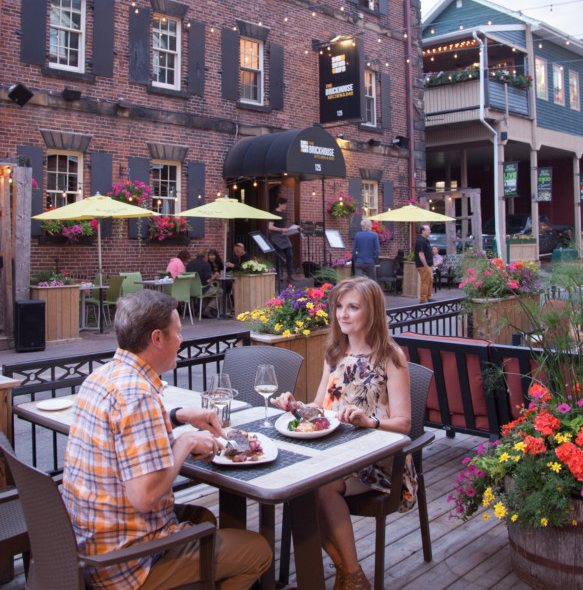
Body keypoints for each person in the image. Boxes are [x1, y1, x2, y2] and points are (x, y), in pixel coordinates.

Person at [62, 291, 271, 590]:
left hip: (88, 546)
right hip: (127, 566)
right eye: (179, 332)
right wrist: (183, 444)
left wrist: (177, 415)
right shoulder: (138, 395)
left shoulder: (103, 377)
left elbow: (125, 428)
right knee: (257, 550)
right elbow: (145, 498)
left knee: (204, 518)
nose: (183, 339)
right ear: (157, 338)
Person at [272, 277, 415, 590]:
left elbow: (404, 424)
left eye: (353, 307)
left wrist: (369, 422)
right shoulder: (335, 352)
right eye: (339, 306)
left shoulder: (391, 357)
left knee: (320, 489)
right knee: (299, 487)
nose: (343, 314)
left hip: (379, 457)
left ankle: (349, 576)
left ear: (372, 312)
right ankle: (352, 575)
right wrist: (295, 407)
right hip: (335, 451)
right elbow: (319, 407)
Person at [268, 197, 294, 282]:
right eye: (285, 204)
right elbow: (270, 227)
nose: (286, 206)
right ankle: (278, 274)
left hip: (284, 236)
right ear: (280, 204)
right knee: (278, 257)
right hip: (277, 237)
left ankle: (290, 274)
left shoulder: (283, 214)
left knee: (290, 255)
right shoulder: (273, 213)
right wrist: (282, 229)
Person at [414, 224, 434, 303]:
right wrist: (425, 264)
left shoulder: (426, 240)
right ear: (423, 231)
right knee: (425, 281)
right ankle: (423, 298)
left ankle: (428, 296)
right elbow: (421, 254)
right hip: (423, 265)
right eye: (428, 230)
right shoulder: (420, 241)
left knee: (430, 280)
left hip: (428, 264)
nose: (430, 231)